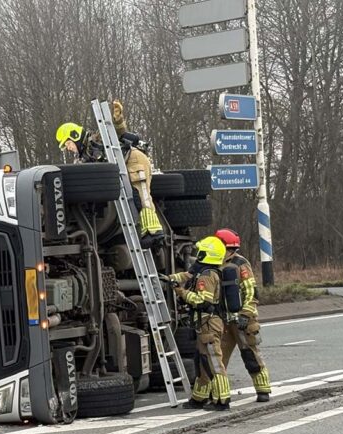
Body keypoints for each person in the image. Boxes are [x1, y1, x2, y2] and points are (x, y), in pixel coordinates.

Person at [55, 100, 164, 248]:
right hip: (125, 167)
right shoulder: (84, 157)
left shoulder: (95, 140)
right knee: (136, 198)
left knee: (141, 195)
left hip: (134, 161)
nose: (69, 148)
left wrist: (117, 118)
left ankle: (154, 233)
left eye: (68, 144)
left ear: (74, 136)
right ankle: (146, 232)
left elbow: (114, 130)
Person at [167, 236, 231, 411]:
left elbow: (202, 301)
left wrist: (180, 291)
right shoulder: (206, 272)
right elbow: (187, 275)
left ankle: (222, 399)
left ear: (207, 254)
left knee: (214, 362)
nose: (198, 254)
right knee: (202, 362)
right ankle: (200, 398)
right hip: (205, 324)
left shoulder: (206, 277)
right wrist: (169, 278)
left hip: (208, 323)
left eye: (201, 251)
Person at [215, 228, 272, 402]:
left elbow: (251, 293)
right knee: (217, 359)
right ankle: (217, 393)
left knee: (250, 355)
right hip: (224, 320)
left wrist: (245, 314)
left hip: (242, 320)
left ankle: (263, 390)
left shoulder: (241, 265)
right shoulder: (215, 264)